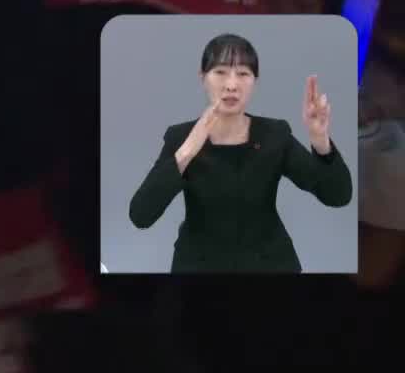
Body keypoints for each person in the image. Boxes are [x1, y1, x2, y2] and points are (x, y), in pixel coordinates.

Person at [127, 33, 354, 272]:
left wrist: (320, 141)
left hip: (271, 263)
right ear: (202, 77)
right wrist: (188, 149)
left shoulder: (274, 134)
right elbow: (141, 215)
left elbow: (337, 196)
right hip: (199, 265)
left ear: (255, 80)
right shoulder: (180, 137)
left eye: (243, 74)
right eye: (220, 72)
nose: (232, 85)